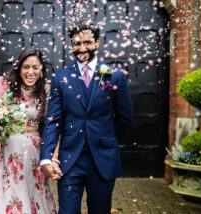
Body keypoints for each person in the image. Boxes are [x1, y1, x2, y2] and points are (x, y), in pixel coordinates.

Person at [40, 20, 134, 214]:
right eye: (77, 43)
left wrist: (105, 135)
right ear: (71, 45)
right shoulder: (61, 77)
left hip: (103, 158)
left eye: (87, 42)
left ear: (97, 43)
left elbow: (125, 117)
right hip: (70, 158)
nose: (82, 48)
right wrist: (46, 157)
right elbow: (53, 120)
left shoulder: (113, 75)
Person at [0, 48, 60, 214]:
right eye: (25, 67)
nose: (30, 72)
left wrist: (53, 158)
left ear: (42, 69)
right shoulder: (5, 86)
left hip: (33, 153)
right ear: (19, 68)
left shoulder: (47, 90)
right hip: (7, 151)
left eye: (35, 67)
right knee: (7, 194)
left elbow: (54, 126)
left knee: (32, 193)